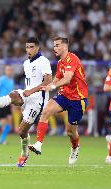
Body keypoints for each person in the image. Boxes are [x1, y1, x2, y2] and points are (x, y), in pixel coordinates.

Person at [0, 37, 52, 167]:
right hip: (27, 94)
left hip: (38, 101)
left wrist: (31, 91)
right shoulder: (26, 63)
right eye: (27, 47)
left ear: (37, 47)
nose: (29, 50)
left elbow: (48, 81)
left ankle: (24, 153)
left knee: (22, 131)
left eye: (31, 47)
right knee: (14, 95)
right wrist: (26, 93)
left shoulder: (43, 61)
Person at [28, 37, 88, 165]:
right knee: (46, 111)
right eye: (54, 45)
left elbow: (67, 79)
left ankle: (75, 147)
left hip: (78, 99)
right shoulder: (61, 62)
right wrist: (49, 85)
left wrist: (54, 86)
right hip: (64, 95)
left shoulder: (72, 59)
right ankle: (38, 144)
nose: (54, 48)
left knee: (70, 131)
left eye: (57, 45)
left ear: (65, 46)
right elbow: (58, 78)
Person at [0, 64, 14, 144]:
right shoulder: (1, 79)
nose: (9, 71)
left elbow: (11, 94)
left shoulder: (11, 81)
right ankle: (1, 139)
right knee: (3, 122)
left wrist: (12, 104)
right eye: (8, 70)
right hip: (1, 102)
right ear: (5, 71)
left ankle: (1, 138)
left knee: (9, 122)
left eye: (10, 70)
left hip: (8, 103)